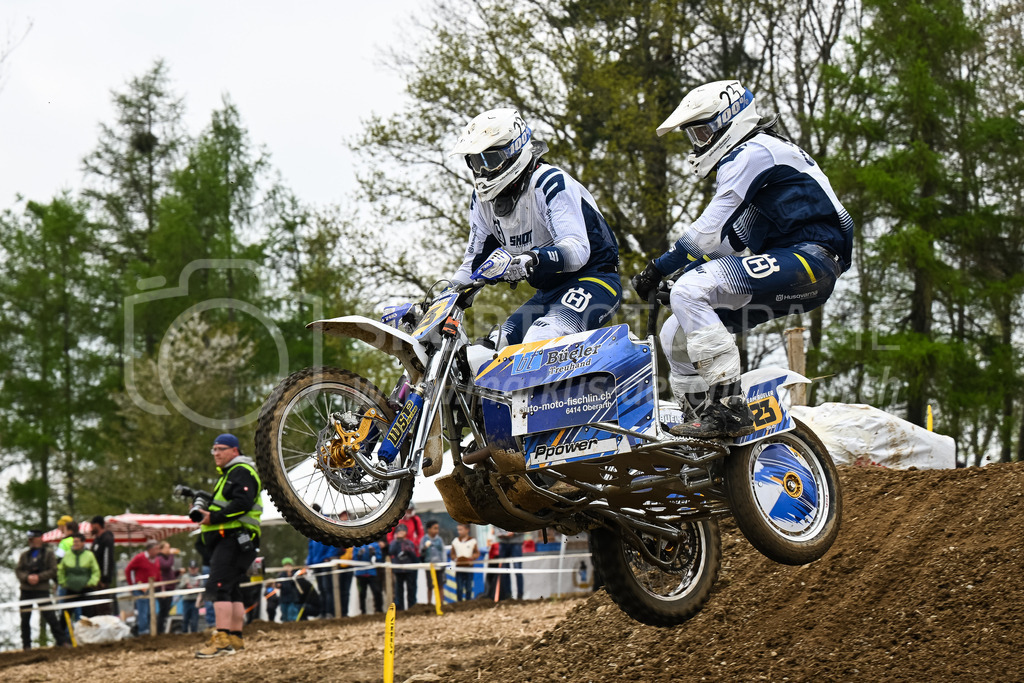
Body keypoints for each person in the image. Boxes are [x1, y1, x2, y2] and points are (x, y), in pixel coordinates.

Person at [632, 79, 854, 439]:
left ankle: (728, 408)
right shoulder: (764, 167)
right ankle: (700, 421)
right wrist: (677, 278)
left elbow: (705, 233)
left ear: (731, 121)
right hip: (800, 264)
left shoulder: (752, 152)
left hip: (812, 259)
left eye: (702, 132)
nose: (697, 144)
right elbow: (730, 242)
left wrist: (659, 267)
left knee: (689, 291)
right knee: (675, 331)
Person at [448, 108, 621, 349]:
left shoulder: (549, 182)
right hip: (546, 293)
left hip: (594, 280)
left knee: (540, 338)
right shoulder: (482, 202)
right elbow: (473, 264)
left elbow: (577, 249)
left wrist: (530, 259)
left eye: (491, 161)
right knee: (490, 349)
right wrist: (444, 296)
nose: (483, 172)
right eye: (476, 162)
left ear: (514, 150)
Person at [193, 433, 263, 658]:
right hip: (237, 539)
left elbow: (242, 503)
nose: (216, 453)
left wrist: (212, 518)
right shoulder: (232, 473)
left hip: (234, 538)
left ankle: (222, 639)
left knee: (219, 587)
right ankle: (235, 638)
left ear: (235, 450)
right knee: (232, 589)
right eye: (213, 449)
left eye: (220, 449)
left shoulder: (240, 471)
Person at [16, 530, 70, 650]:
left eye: (33, 538)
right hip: (26, 590)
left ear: (39, 538)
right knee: (25, 619)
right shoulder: (25, 555)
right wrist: (27, 577)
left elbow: (53, 570)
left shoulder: (48, 554)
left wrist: (39, 577)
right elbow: (19, 570)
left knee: (50, 616)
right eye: (30, 539)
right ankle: (26, 645)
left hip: (41, 590)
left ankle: (61, 642)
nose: (31, 541)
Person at [57, 533, 100, 621]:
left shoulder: (89, 555)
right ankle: (63, 634)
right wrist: (63, 582)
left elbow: (96, 571)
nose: (75, 544)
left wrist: (91, 583)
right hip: (70, 589)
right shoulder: (68, 554)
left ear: (83, 543)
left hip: (86, 589)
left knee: (88, 615)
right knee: (65, 615)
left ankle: (88, 634)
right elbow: (60, 570)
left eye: (77, 542)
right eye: (74, 542)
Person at [124, 539, 162, 635]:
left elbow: (158, 573)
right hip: (140, 588)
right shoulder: (140, 558)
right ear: (150, 550)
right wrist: (131, 585)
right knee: (143, 612)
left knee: (150, 612)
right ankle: (143, 632)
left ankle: (149, 631)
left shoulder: (156, 560)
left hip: (151, 588)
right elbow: (128, 569)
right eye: (156, 549)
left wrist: (160, 585)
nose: (158, 551)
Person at [89, 515, 117, 616]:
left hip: (102, 580)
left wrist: (104, 579)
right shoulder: (97, 540)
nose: (91, 528)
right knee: (96, 607)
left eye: (92, 525)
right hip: (95, 579)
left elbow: (107, 559)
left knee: (103, 606)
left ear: (97, 525)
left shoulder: (107, 539)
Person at [388, 524, 419, 611]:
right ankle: (400, 608)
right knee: (399, 590)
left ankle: (411, 607)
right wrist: (398, 541)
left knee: (411, 589)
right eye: (399, 531)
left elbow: (413, 556)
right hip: (398, 570)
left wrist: (407, 551)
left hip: (409, 570)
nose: (401, 533)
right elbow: (391, 551)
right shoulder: (394, 543)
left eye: (403, 531)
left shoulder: (409, 543)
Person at [449, 524, 480, 602]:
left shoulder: (472, 541)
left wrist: (471, 558)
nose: (459, 531)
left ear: (467, 530)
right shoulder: (455, 541)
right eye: (458, 529)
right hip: (459, 568)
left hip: (469, 567)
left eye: (461, 529)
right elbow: (452, 554)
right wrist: (456, 558)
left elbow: (477, 553)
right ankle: (459, 603)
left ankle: (468, 602)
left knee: (468, 587)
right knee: (459, 587)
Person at [155, 541, 179, 634]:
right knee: (163, 610)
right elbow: (166, 565)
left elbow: (168, 572)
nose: (169, 550)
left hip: (169, 588)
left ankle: (162, 629)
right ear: (161, 549)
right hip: (162, 588)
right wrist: (172, 555)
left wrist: (177, 573)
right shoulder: (160, 558)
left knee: (166, 610)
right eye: (167, 548)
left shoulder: (165, 558)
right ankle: (159, 630)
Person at [352, 542, 383, 615]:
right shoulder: (356, 545)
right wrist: (359, 554)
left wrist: (373, 554)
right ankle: (363, 611)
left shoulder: (375, 545)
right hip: (360, 574)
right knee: (362, 593)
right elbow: (354, 559)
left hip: (372, 573)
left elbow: (379, 558)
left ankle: (379, 610)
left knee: (377, 591)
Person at [494, 528, 525, 601]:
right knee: (504, 572)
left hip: (516, 542)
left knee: (518, 571)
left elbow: (524, 525)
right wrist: (499, 534)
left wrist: (514, 533)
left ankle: (520, 596)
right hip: (503, 543)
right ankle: (507, 596)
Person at [420, 520, 446, 606]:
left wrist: (443, 564)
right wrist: (424, 548)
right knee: (430, 586)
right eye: (435, 528)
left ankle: (441, 603)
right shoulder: (424, 539)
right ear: (429, 529)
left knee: (440, 585)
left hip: (439, 566)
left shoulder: (439, 540)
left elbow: (443, 552)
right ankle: (429, 603)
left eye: (437, 528)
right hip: (429, 566)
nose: (437, 531)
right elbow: (421, 552)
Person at [177, 560, 204, 634]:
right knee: (185, 618)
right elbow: (180, 587)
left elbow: (202, 588)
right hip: (186, 600)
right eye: (191, 568)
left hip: (196, 601)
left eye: (194, 568)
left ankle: (194, 634)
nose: (193, 570)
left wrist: (200, 600)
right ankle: (184, 633)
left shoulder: (200, 576)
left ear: (197, 568)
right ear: (189, 568)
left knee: (194, 619)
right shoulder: (185, 576)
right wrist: (185, 583)